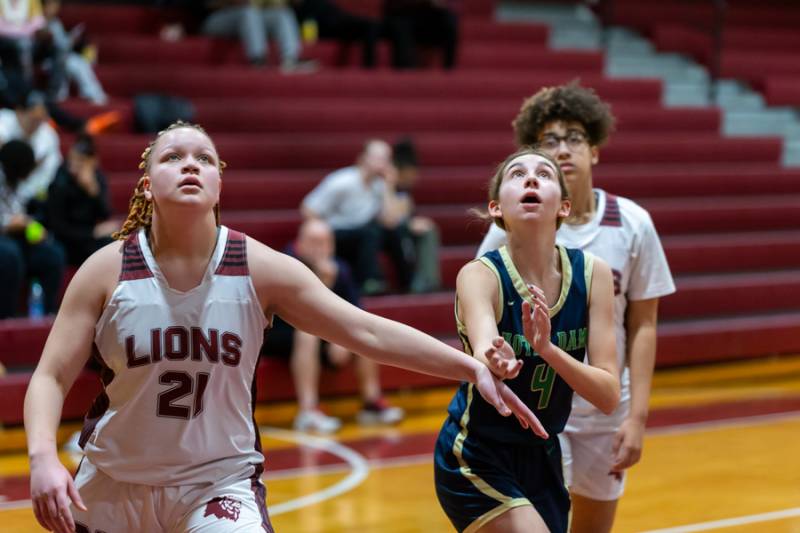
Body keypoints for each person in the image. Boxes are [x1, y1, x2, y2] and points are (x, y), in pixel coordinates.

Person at [24, 120, 545, 533]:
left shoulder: (257, 266)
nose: (190, 165)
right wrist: (44, 458)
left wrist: (469, 367)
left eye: (203, 158)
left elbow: (363, 331)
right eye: (173, 157)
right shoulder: (107, 268)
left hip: (216, 484)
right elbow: (50, 376)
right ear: (146, 184)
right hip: (115, 481)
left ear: (218, 183)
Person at [477, 82, 676, 533]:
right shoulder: (517, 221)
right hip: (539, 403)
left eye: (574, 137)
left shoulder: (632, 222)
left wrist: (637, 417)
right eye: (549, 140)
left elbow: (644, 326)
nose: (563, 148)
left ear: (596, 150)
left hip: (605, 406)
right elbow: (477, 309)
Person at [435, 146, 620, 533]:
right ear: (495, 208)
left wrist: (548, 350)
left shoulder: (592, 274)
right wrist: (495, 358)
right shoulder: (480, 275)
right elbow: (486, 342)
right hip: (476, 453)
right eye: (517, 174)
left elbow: (607, 394)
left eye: (545, 174)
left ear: (564, 207)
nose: (532, 178)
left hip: (542, 453)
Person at [261, 217, 404, 433]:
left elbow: (354, 312)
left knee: (362, 332)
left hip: (322, 332)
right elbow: (303, 312)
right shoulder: (287, 264)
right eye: (315, 242)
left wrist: (344, 339)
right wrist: (325, 284)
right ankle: (308, 411)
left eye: (326, 242)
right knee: (306, 334)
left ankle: (371, 402)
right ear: (301, 243)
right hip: (280, 333)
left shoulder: (340, 268)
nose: (321, 248)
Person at [301, 139, 404, 295]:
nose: (383, 163)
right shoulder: (343, 181)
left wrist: (389, 186)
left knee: (394, 231)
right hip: (336, 232)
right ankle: (369, 281)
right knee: (370, 233)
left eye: (386, 158)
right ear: (363, 158)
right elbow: (308, 208)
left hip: (361, 233)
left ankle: (407, 282)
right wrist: (321, 235)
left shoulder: (380, 185)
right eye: (378, 157)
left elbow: (391, 221)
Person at [0, 139, 64, 319]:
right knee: (10, 256)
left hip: (15, 238)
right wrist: (13, 224)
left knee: (52, 254)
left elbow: (21, 215)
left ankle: (48, 315)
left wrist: (31, 227)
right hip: (4, 240)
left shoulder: (18, 183)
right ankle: (6, 319)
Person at [45, 133, 116, 267]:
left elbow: (105, 214)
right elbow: (58, 227)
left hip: (87, 237)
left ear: (93, 161)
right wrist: (92, 233)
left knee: (115, 244)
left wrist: (93, 192)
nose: (74, 166)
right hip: (66, 240)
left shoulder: (98, 178)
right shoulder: (60, 182)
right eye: (72, 160)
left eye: (81, 161)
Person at [384, 137, 440, 293]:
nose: (414, 179)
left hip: (395, 228)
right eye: (411, 174)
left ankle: (428, 281)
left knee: (427, 229)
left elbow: (405, 214)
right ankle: (418, 281)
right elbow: (389, 219)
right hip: (378, 232)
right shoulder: (380, 185)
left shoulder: (402, 191)